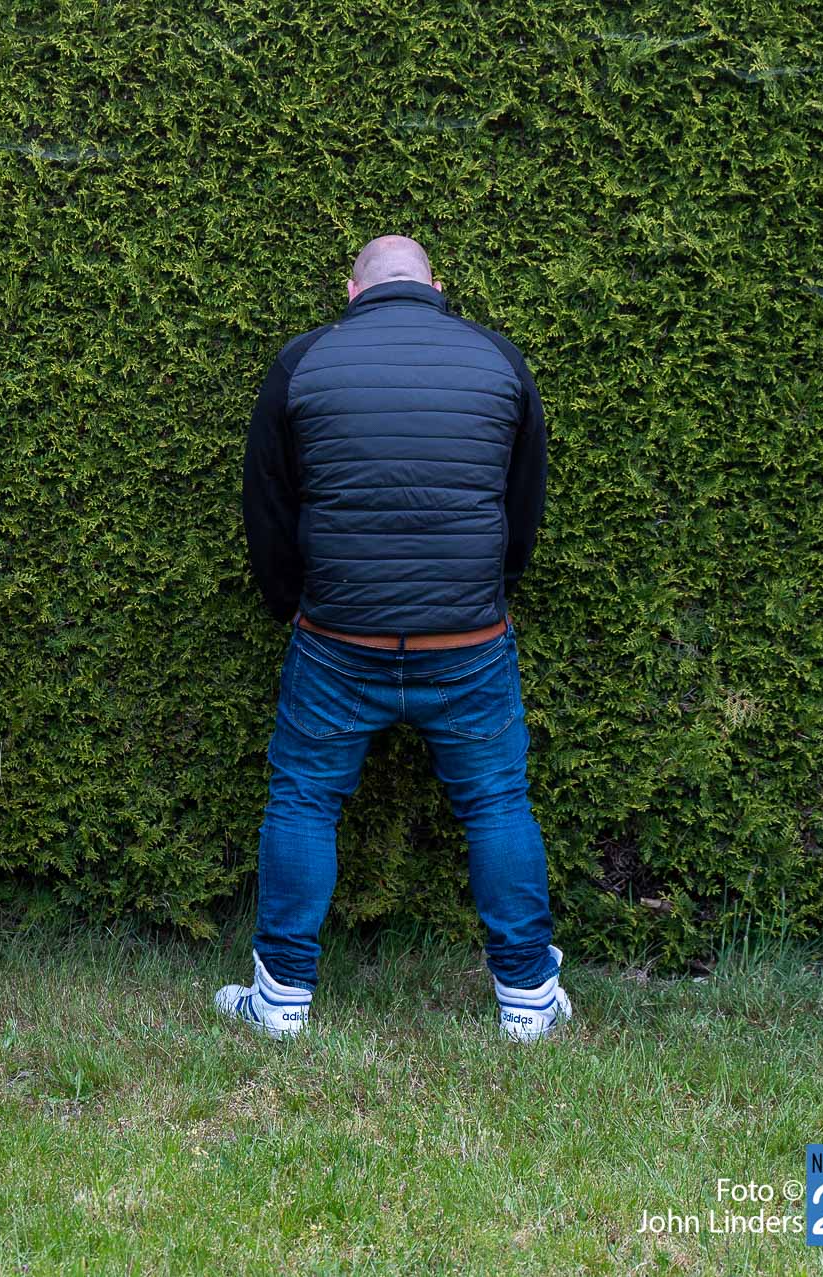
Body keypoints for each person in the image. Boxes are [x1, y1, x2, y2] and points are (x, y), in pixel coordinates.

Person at [219, 235, 569, 1042]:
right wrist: (491, 595)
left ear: (352, 290)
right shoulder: (498, 358)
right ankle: (527, 997)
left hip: (337, 637)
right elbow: (523, 501)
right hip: (468, 639)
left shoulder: (303, 361)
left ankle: (280, 998)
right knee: (497, 801)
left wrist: (291, 604)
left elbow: (266, 507)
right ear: (437, 285)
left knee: (304, 798)